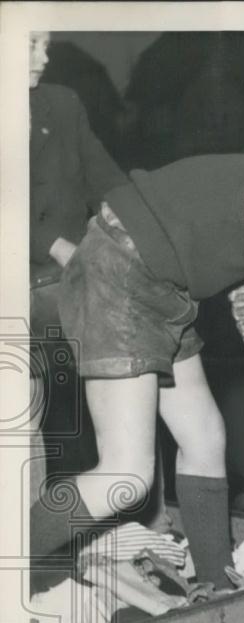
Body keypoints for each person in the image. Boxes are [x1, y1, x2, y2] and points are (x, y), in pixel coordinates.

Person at [29, 100, 244, 590]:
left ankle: (215, 588)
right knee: (126, 475)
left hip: (157, 286)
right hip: (123, 278)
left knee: (205, 438)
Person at [28, 31, 127, 497]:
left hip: (70, 283)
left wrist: (135, 230)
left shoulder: (62, 104)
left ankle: (128, 516)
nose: (43, 58)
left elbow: (108, 183)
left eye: (45, 44)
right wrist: (60, 247)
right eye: (29, 45)